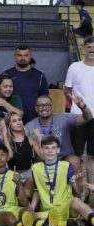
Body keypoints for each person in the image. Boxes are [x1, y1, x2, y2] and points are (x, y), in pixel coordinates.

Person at [25, 95, 92, 194]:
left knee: (74, 160)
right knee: (37, 163)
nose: (44, 108)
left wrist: (83, 107)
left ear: (51, 107)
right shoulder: (30, 126)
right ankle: (42, 196)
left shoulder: (63, 118)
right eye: (40, 105)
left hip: (64, 157)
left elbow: (88, 117)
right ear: (36, 108)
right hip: (44, 160)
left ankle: (76, 196)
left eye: (47, 105)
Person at [31, 136, 94, 226]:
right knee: (29, 216)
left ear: (58, 150)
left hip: (66, 208)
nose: (50, 151)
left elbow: (78, 191)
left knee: (76, 201)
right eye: (46, 148)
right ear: (42, 150)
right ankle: (65, 224)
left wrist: (79, 182)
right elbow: (36, 190)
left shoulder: (66, 166)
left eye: (53, 148)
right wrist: (31, 207)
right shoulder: (35, 168)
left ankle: (92, 220)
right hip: (48, 211)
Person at [65, 36, 94, 206]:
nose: (92, 49)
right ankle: (79, 194)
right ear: (84, 48)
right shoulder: (74, 67)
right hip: (78, 118)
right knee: (76, 157)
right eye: (89, 46)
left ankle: (91, 195)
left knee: (92, 157)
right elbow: (67, 90)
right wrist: (72, 108)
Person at [3, 45, 49, 123]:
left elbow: (45, 99)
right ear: (14, 56)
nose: (23, 58)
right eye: (19, 55)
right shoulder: (6, 74)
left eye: (26, 55)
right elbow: (0, 97)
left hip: (34, 121)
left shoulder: (40, 75)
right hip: (12, 120)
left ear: (30, 56)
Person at [5, 112, 42, 201]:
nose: (18, 122)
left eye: (19, 120)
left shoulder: (29, 140)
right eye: (14, 121)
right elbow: (8, 157)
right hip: (13, 173)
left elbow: (43, 156)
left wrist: (40, 138)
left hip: (28, 173)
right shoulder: (6, 141)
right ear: (9, 125)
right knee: (13, 197)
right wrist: (4, 134)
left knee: (27, 193)